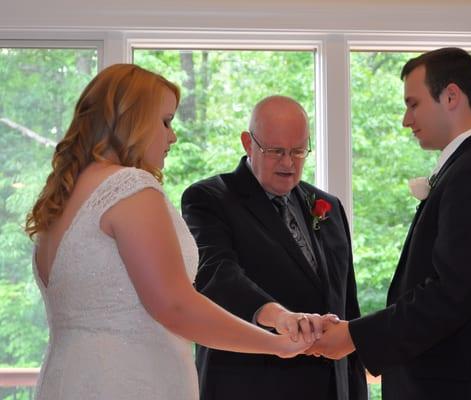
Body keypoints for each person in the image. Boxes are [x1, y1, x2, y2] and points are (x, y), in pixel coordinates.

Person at [25, 64, 312, 400]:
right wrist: (273, 344)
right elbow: (175, 306)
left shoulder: (64, 196)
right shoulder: (128, 187)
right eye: (165, 121)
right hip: (130, 384)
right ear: (133, 119)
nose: (172, 135)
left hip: (67, 379)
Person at [310, 47, 471, 399]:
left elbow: (451, 294)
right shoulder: (468, 169)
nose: (405, 119)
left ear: (450, 96)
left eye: (413, 104)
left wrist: (355, 336)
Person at [181, 95, 368, 400]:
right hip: (249, 387)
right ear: (247, 143)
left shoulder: (329, 207)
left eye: (298, 151)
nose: (288, 163)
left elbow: (347, 307)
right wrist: (280, 317)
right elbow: (218, 276)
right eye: (275, 151)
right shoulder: (208, 199)